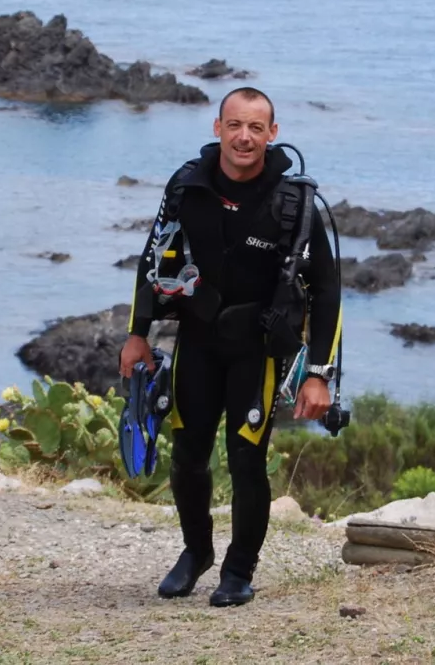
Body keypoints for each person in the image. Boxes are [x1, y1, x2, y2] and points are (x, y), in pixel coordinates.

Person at [118, 87, 341, 607]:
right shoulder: (186, 188)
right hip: (196, 340)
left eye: (256, 128)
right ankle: (196, 554)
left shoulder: (295, 204)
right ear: (217, 127)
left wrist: (319, 374)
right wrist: (138, 334)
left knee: (246, 460)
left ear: (272, 134)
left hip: (256, 352)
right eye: (235, 125)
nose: (245, 137)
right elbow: (151, 258)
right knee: (188, 457)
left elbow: (327, 291)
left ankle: (239, 571)